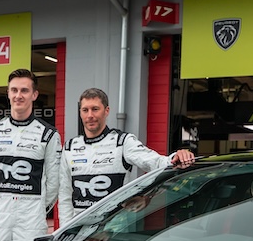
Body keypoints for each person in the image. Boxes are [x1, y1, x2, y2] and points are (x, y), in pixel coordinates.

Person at [57, 87, 194, 227]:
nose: (90, 115)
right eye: (85, 110)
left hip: (113, 229)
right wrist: (65, 229)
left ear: (107, 111)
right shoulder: (70, 147)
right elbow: (65, 195)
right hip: (79, 230)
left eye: (95, 109)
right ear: (80, 112)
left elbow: (155, 162)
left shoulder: (122, 142)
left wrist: (176, 156)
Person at [0, 68, 62, 241]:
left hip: (32, 218)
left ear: (34, 95)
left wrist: (38, 206)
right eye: (14, 90)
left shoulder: (48, 134)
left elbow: (54, 181)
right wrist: (2, 198)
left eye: (24, 90)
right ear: (8, 93)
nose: (19, 95)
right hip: (0, 217)